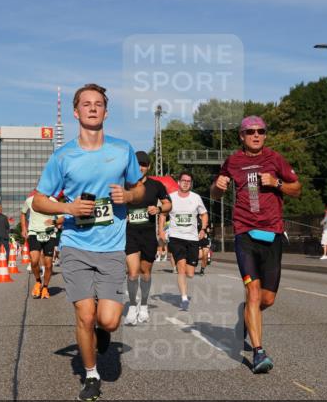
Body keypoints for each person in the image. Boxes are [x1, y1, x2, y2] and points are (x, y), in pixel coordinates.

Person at [31, 83, 144, 402]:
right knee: (85, 314)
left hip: (111, 246)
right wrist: (67, 207)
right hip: (75, 244)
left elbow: (140, 190)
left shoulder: (122, 150)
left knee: (107, 319)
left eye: (98, 104)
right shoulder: (63, 156)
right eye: (86, 104)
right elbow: (39, 201)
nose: (92, 108)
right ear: (76, 111)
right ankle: (91, 375)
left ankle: (101, 334)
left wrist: (129, 196)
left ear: (106, 112)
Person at [211, 116, 301, 374]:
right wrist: (217, 187)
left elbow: (297, 188)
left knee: (267, 299)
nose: (256, 135)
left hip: (272, 234)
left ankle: (247, 318)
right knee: (252, 292)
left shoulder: (275, 159)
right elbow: (217, 192)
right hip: (245, 232)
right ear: (241, 136)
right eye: (250, 132)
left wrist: (278, 183)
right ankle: (259, 353)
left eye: (261, 131)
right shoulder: (233, 162)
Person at [123, 151, 172, 325]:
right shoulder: (125, 184)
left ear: (148, 167)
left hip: (148, 235)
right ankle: (131, 305)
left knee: (145, 273)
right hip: (131, 233)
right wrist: (124, 215)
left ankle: (143, 304)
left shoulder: (156, 185)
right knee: (132, 272)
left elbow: (168, 204)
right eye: (137, 165)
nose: (140, 168)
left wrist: (158, 210)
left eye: (143, 165)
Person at [166, 172, 208, 312]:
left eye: (188, 181)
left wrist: (203, 228)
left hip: (192, 238)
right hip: (176, 237)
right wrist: (161, 230)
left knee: (190, 273)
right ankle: (184, 298)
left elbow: (204, 214)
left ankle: (200, 260)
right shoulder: (170, 198)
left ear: (191, 184)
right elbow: (162, 214)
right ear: (178, 182)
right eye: (183, 180)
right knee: (181, 268)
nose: (185, 183)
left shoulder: (196, 198)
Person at [21, 190, 61, 299]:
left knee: (48, 264)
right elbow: (23, 213)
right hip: (34, 233)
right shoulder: (30, 200)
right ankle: (38, 282)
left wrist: (54, 223)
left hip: (49, 234)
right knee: (34, 261)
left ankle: (45, 287)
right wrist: (24, 228)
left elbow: (62, 217)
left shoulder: (54, 201)